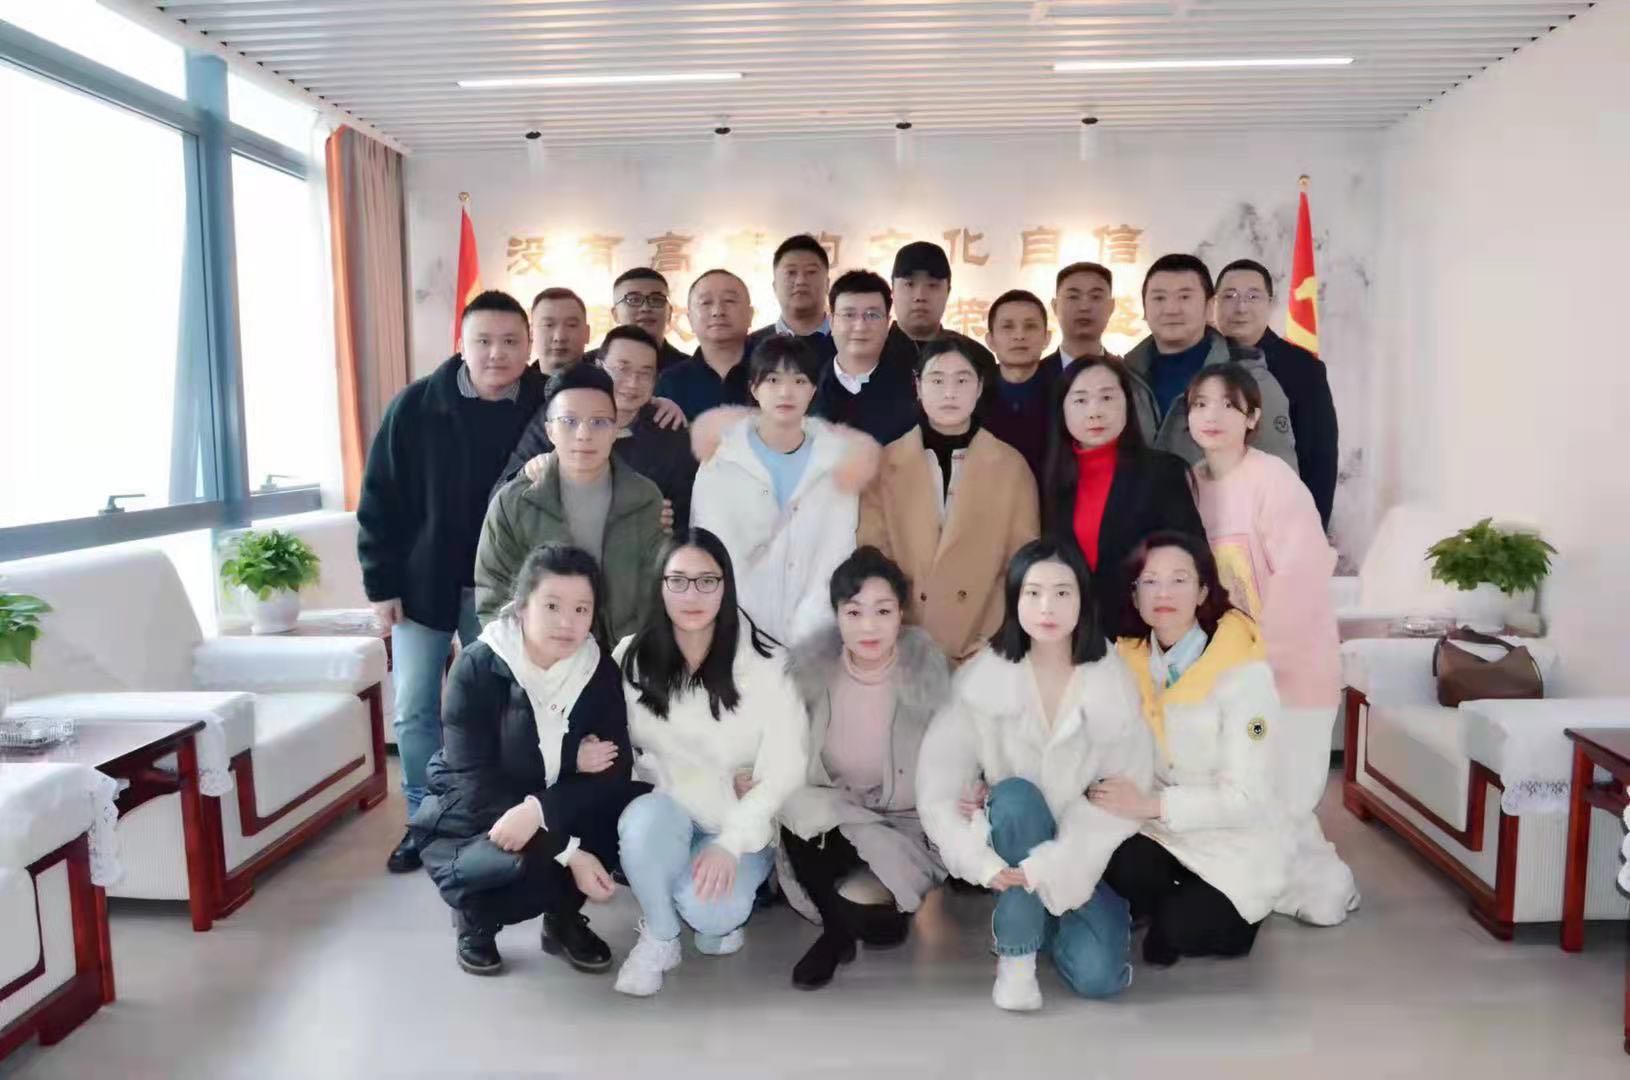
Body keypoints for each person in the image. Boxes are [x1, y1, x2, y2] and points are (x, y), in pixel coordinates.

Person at [917, 539, 1153, 1012]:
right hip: (1012, 843)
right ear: (1015, 598)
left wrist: (1050, 866)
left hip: (1078, 861)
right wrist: (979, 856)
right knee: (1016, 798)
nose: (1048, 607)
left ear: (1083, 599)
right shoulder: (982, 679)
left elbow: (1125, 791)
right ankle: (1016, 959)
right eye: (1033, 592)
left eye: (1063, 592)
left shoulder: (1111, 680)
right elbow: (939, 785)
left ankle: (1048, 919)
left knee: (1101, 980)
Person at [357, 288, 547, 874]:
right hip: (424, 586)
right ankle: (425, 818)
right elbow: (379, 498)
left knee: (507, 705)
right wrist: (381, 585)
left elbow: (610, 406)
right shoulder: (416, 406)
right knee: (416, 708)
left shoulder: (545, 404)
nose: (497, 353)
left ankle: (497, 815)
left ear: (529, 347)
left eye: (510, 341)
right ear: (461, 344)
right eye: (483, 340)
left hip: (507, 588)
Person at [410, 545, 648, 976]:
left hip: (545, 803)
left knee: (621, 808)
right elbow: (474, 785)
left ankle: (562, 918)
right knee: (515, 861)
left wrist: (539, 808)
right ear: (522, 607)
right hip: (481, 812)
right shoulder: (478, 668)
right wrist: (569, 850)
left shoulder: (598, 671)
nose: (567, 622)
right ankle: (476, 921)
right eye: (552, 606)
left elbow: (614, 770)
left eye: (581, 609)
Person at [1184, 364, 1358, 926]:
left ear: (1253, 417)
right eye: (1200, 404)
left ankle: (1329, 885)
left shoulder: (1273, 480)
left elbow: (1301, 576)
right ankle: (1285, 881)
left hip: (1291, 670)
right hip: (1231, 677)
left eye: (1227, 405)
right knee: (1252, 788)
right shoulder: (1192, 486)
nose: (1212, 416)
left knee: (1290, 791)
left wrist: (1258, 657)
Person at [613, 529, 809, 996]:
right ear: (659, 587)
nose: (692, 595)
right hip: (668, 810)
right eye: (678, 581)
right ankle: (661, 936)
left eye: (707, 581)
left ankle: (702, 910)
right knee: (641, 825)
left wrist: (730, 843)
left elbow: (787, 768)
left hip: (737, 823)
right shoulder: (631, 659)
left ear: (726, 586)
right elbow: (618, 748)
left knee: (712, 914)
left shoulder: (769, 665)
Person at [1097, 531, 1292, 966]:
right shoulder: (1126, 660)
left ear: (1203, 590)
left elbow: (1247, 800)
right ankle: (1166, 900)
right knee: (1117, 861)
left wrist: (1150, 804)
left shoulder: (1246, 673)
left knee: (1177, 933)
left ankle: (1194, 912)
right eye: (1149, 581)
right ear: (1134, 594)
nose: (1163, 593)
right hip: (1164, 833)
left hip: (1233, 841)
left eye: (1179, 580)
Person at [778, 547, 952, 989]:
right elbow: (776, 746)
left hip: (903, 826)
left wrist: (971, 789)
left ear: (901, 614)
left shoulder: (930, 677)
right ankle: (836, 936)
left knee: (882, 929)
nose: (868, 627)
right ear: (837, 615)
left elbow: (960, 756)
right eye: (854, 612)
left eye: (882, 611)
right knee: (795, 810)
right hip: (836, 819)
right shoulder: (808, 676)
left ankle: (846, 924)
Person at [690, 336, 880, 645]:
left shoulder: (838, 464)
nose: (786, 392)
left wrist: (810, 627)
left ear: (813, 390)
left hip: (813, 637)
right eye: (773, 380)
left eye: (799, 380)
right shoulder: (721, 462)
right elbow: (708, 552)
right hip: (733, 633)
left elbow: (837, 555)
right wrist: (737, 630)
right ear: (754, 388)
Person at [857, 339, 1038, 664]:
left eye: (962, 380)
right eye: (937, 380)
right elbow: (873, 554)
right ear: (918, 386)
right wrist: (894, 629)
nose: (950, 393)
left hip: (984, 647)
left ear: (979, 387)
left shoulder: (1011, 466)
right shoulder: (884, 464)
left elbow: (1021, 563)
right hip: (902, 644)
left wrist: (992, 635)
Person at [475, 363, 665, 640]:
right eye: (569, 421)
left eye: (598, 422)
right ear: (549, 431)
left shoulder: (645, 498)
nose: (583, 434)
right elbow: (493, 593)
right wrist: (528, 655)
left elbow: (656, 588)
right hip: (540, 656)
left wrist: (633, 653)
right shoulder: (515, 502)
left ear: (615, 430)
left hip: (623, 655)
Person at [1042, 355, 1204, 628]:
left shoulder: (1164, 473)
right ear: (1062, 410)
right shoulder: (1050, 480)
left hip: (1146, 633)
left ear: (1127, 403)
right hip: (1074, 634)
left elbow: (1191, 560)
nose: (1094, 411)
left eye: (1107, 398)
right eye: (1080, 400)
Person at [500, 325, 698, 528]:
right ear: (599, 367)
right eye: (622, 369)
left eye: (645, 373)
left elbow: (687, 516)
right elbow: (502, 496)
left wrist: (664, 526)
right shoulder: (562, 414)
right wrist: (527, 474)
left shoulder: (669, 432)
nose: (633, 383)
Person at [1123, 253, 1297, 471]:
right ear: (1144, 309)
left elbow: (1279, 477)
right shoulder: (1122, 378)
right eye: (1159, 298)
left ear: (1209, 307)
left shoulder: (1250, 380)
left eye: (1185, 297)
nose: (1171, 309)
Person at [1214, 258, 1340, 529]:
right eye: (1229, 296)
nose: (1241, 307)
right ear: (1214, 303)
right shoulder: (1200, 359)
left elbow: (1319, 461)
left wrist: (1311, 532)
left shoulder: (1303, 368)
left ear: (1270, 304)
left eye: (1253, 296)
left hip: (1277, 524)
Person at [809, 269, 918, 446]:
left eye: (872, 315)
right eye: (849, 315)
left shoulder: (912, 390)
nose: (860, 326)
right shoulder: (805, 384)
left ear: (888, 324)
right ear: (832, 322)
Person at [652, 269, 755, 420]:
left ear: (750, 315)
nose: (717, 311)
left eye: (729, 301)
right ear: (690, 320)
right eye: (706, 302)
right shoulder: (670, 382)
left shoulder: (774, 371)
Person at [881, 240, 997, 372]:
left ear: (948, 291)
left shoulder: (977, 358)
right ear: (892, 290)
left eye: (932, 285)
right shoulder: (870, 353)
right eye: (910, 284)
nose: (920, 296)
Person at [982, 288, 1058, 484]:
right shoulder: (973, 396)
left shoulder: (1066, 395)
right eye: (1008, 327)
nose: (1019, 335)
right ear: (990, 340)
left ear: (1047, 338)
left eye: (1030, 326)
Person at [745, 234, 837, 364]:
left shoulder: (849, 341)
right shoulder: (752, 346)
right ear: (775, 286)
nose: (801, 281)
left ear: (827, 284)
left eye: (811, 272)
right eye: (791, 272)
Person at [585, 267, 691, 371]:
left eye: (656, 300)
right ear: (615, 314)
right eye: (633, 300)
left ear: (669, 313)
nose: (646, 308)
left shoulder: (690, 370)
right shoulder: (587, 367)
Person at [1041, 262, 1117, 371]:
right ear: (1055, 306)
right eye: (1073, 297)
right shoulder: (1031, 376)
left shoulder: (1129, 377)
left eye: (1095, 297)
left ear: (1111, 307)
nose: (1084, 307)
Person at [528, 287, 592, 375]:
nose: (559, 337)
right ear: (531, 333)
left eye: (571, 325)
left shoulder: (607, 381)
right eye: (548, 325)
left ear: (587, 333)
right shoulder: (514, 382)